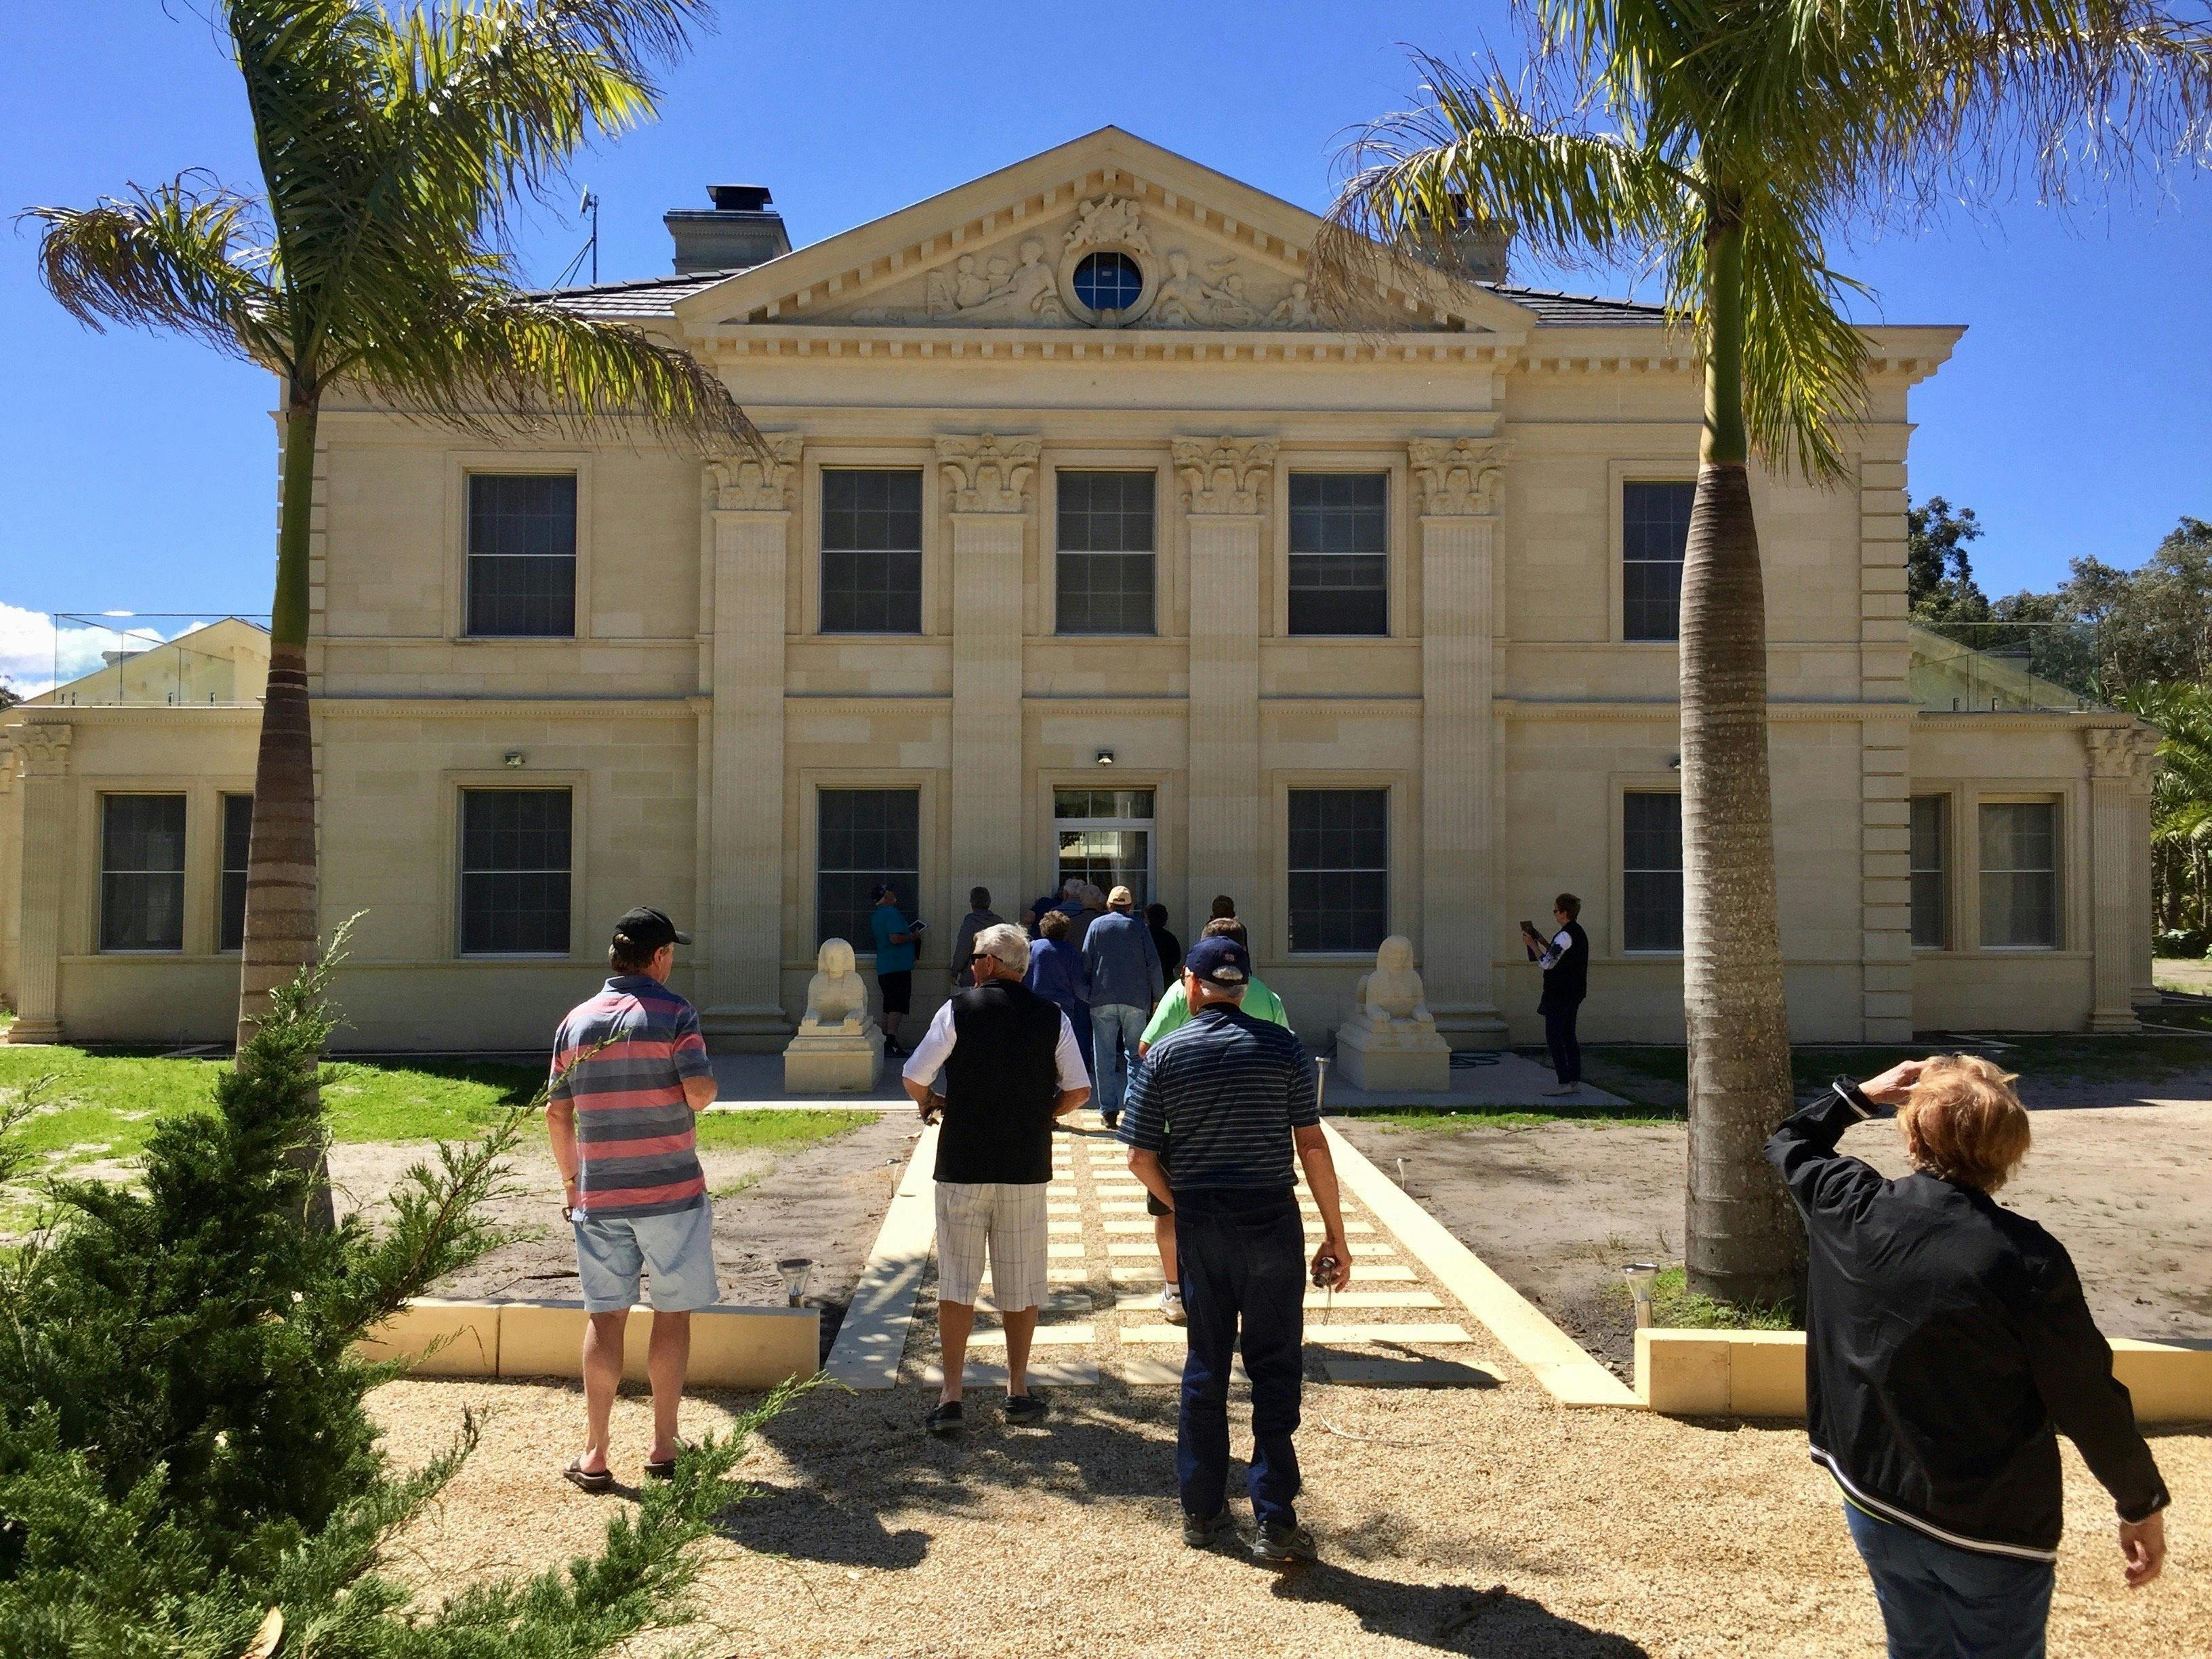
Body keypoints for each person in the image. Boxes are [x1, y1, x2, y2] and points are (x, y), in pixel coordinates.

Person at [1767, 1055, 2170, 1658]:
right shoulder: (2025, 1259)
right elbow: (2086, 1396)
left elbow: (1788, 1139)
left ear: (1912, 1132)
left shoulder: (1847, 1205)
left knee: (1914, 1647)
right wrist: (2141, 1502)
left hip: (1873, 1498)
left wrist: (1862, 1095)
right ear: (2009, 1152)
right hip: (1989, 1526)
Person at [1120, 935, 1351, 1568]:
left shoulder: (1164, 1053)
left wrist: (1179, 1201)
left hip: (1204, 1220)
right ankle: (1274, 1515)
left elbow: (1139, 1155)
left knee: (1206, 1364)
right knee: (1275, 1365)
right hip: (1270, 1215)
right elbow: (1312, 1145)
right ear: (1242, 987)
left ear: (1191, 986)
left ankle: (1202, 1509)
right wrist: (1337, 1233)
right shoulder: (1282, 1046)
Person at [544, 906, 719, 1492]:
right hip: (671, 1192)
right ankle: (663, 1447)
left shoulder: (576, 1022)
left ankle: (595, 1452)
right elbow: (698, 1094)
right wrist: (706, 1086)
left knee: (606, 1316)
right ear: (660, 956)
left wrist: (573, 1183)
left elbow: (557, 1113)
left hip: (600, 1196)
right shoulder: (676, 1012)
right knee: (671, 1315)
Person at [903, 923, 1090, 1435]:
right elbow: (1079, 1089)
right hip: (1024, 1163)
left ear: (988, 962)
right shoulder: (1052, 1016)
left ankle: (952, 1394)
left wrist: (934, 1102)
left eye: (974, 957)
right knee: (1021, 1282)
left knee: (958, 1283)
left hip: (963, 1158)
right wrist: (1043, 1112)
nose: (970, 964)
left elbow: (915, 1076)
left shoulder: (958, 1009)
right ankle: (1017, 1389)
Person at [1137, 916, 1292, 1323]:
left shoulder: (1180, 991)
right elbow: (1284, 1056)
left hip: (1183, 1126)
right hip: (1253, 1127)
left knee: (1171, 1214)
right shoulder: (1268, 996)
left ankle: (1175, 1290)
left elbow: (1146, 1046)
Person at [1081, 884, 1164, 1130]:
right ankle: (1133, 1106)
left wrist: (1088, 993)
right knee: (1136, 1054)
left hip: (1102, 998)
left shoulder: (1096, 925)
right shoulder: (1139, 927)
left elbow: (1086, 961)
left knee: (1104, 1056)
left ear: (1109, 904)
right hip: (1135, 999)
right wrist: (1157, 997)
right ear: (1130, 906)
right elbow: (1154, 964)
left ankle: (1108, 1110)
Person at [1521, 893, 1589, 1097]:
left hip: (1559, 994)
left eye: (1556, 911)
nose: (1554, 914)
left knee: (1554, 1036)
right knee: (1569, 1035)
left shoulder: (1565, 935)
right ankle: (1574, 1080)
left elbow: (1547, 963)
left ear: (1564, 913)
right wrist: (1541, 940)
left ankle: (1563, 1082)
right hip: (1574, 993)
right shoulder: (1577, 932)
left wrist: (1532, 945)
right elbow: (1558, 954)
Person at [1023, 907, 1092, 1078]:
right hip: (1063, 1007)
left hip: (1035, 1003)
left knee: (1035, 1045)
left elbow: (1022, 974)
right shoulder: (1071, 952)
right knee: (1061, 1048)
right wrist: (1092, 999)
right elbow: (1078, 984)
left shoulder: (1032, 947)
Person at [868, 882, 924, 1057]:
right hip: (897, 966)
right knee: (897, 1005)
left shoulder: (877, 915)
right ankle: (891, 1041)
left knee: (889, 1005)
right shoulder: (891, 913)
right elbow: (894, 938)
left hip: (885, 967)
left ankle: (885, 1041)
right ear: (886, 896)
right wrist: (913, 937)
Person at [949, 886, 1003, 989]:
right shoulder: (999, 922)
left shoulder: (970, 921)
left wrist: (954, 973)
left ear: (972, 904)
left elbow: (963, 950)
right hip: (995, 977)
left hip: (973, 978)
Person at [1145, 901, 1183, 990]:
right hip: (1166, 980)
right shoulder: (1170, 938)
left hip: (1147, 982)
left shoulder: (1143, 937)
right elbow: (1177, 958)